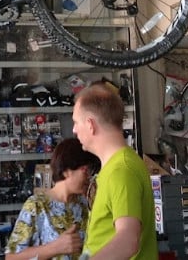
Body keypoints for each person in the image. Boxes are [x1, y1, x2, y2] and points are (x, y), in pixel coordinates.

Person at [72, 83, 158, 259]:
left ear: (90, 125)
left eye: (75, 122)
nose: (74, 130)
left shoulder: (121, 170)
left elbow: (127, 241)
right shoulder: (114, 167)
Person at [6, 137, 100, 260]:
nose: (89, 178)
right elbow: (11, 257)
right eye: (86, 171)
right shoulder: (36, 205)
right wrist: (55, 248)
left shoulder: (85, 204)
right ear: (67, 170)